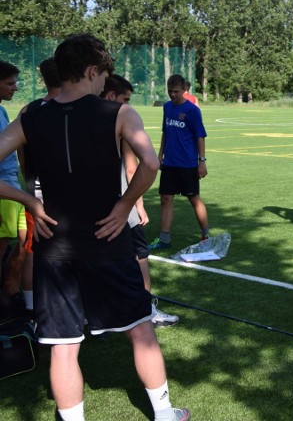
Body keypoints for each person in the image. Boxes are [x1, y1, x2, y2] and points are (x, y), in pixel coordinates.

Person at [0, 34, 189, 421]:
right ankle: (165, 413)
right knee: (140, 330)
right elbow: (151, 164)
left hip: (56, 248)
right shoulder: (118, 114)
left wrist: (30, 201)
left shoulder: (31, 115)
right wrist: (123, 206)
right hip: (108, 242)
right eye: (104, 73)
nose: (107, 81)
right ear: (91, 71)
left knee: (64, 346)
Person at [101, 74, 179, 327]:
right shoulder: (120, 120)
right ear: (111, 95)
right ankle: (146, 309)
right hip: (121, 206)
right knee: (139, 255)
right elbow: (134, 168)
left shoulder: (75, 118)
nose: (127, 104)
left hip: (91, 206)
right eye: (125, 99)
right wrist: (138, 204)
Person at [6, 57, 63, 319]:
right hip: (61, 193)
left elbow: (19, 150)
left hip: (33, 190)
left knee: (32, 248)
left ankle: (31, 306)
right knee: (69, 248)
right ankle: (72, 307)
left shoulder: (27, 111)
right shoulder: (67, 109)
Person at [149, 74, 209, 250]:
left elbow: (200, 136)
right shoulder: (167, 107)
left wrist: (202, 161)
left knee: (194, 199)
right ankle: (164, 239)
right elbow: (165, 133)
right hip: (170, 163)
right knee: (166, 198)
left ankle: (205, 235)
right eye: (170, 91)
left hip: (188, 163)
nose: (172, 95)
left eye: (176, 91)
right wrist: (160, 156)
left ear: (184, 90)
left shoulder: (192, 110)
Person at [0, 60, 27, 318]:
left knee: (24, 242)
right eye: (10, 83)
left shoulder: (2, 111)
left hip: (12, 186)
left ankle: (11, 294)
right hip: (3, 191)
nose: (15, 88)